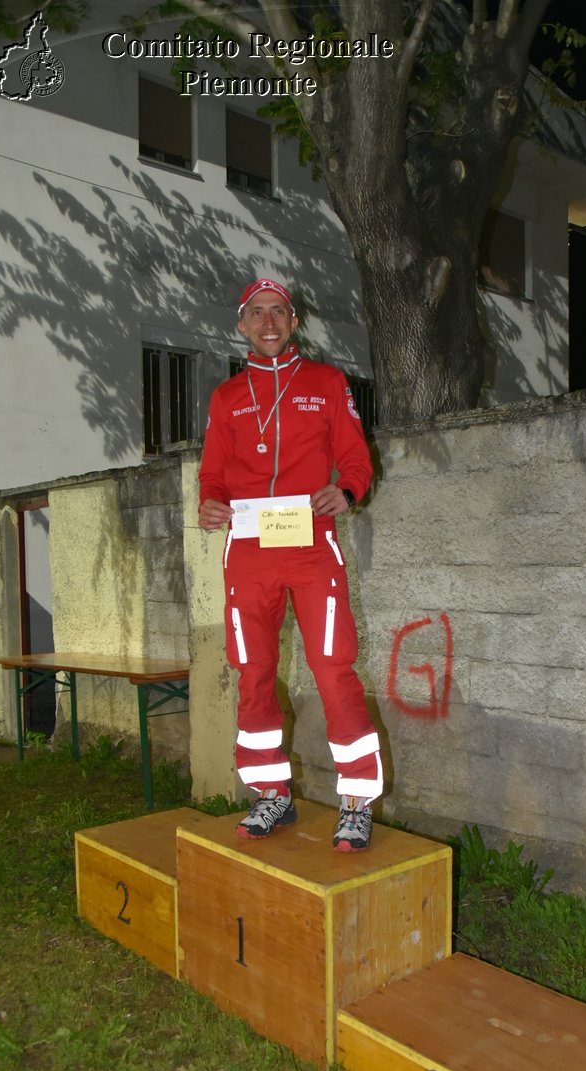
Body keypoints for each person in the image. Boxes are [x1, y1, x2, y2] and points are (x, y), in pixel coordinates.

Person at [197, 278, 382, 851]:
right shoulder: (226, 397)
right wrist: (207, 502)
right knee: (252, 673)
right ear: (243, 324)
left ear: (294, 321)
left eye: (279, 312)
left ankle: (356, 801)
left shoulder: (327, 383)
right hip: (248, 550)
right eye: (258, 313)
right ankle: (271, 793)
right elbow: (213, 472)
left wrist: (347, 491)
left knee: (333, 669)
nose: (269, 322)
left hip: (310, 545)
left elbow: (356, 457)